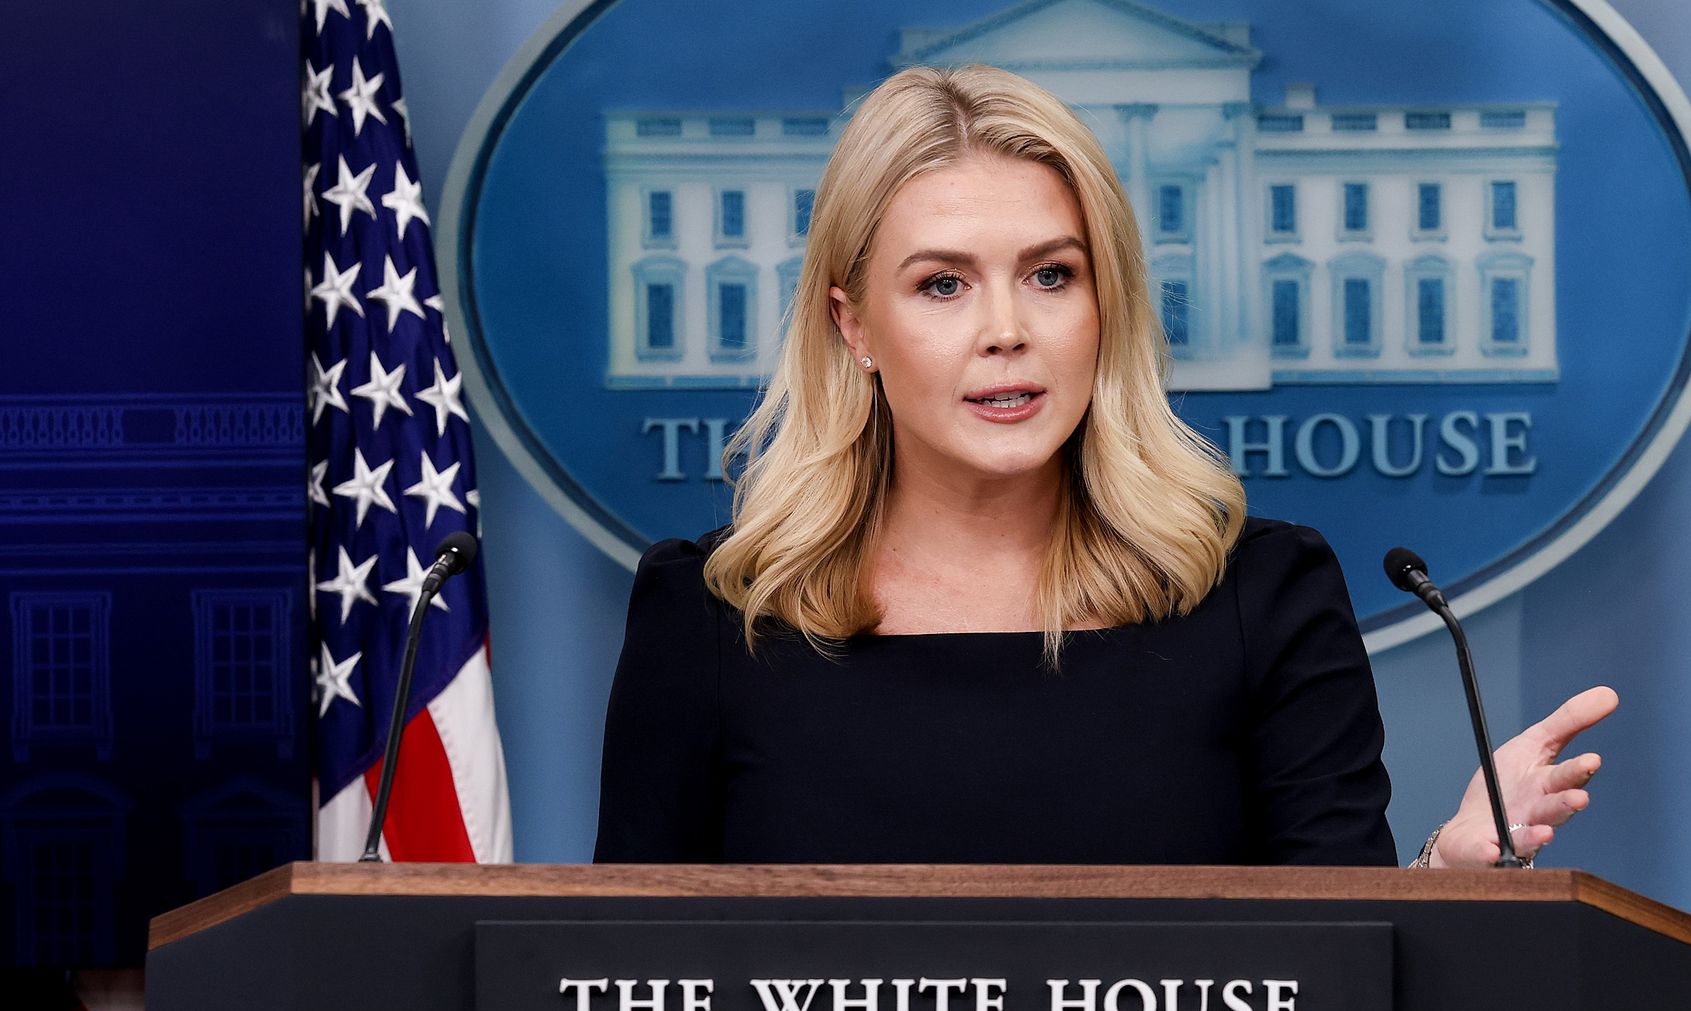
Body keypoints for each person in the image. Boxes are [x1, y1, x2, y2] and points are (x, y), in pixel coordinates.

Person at [594, 64, 1608, 870]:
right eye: (943, 284)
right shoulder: (713, 615)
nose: (1006, 330)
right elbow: (626, 997)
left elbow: (1336, 976)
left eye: (1050, 275)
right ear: (853, 324)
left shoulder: (1263, 598)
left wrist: (1448, 876)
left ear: (1104, 304)